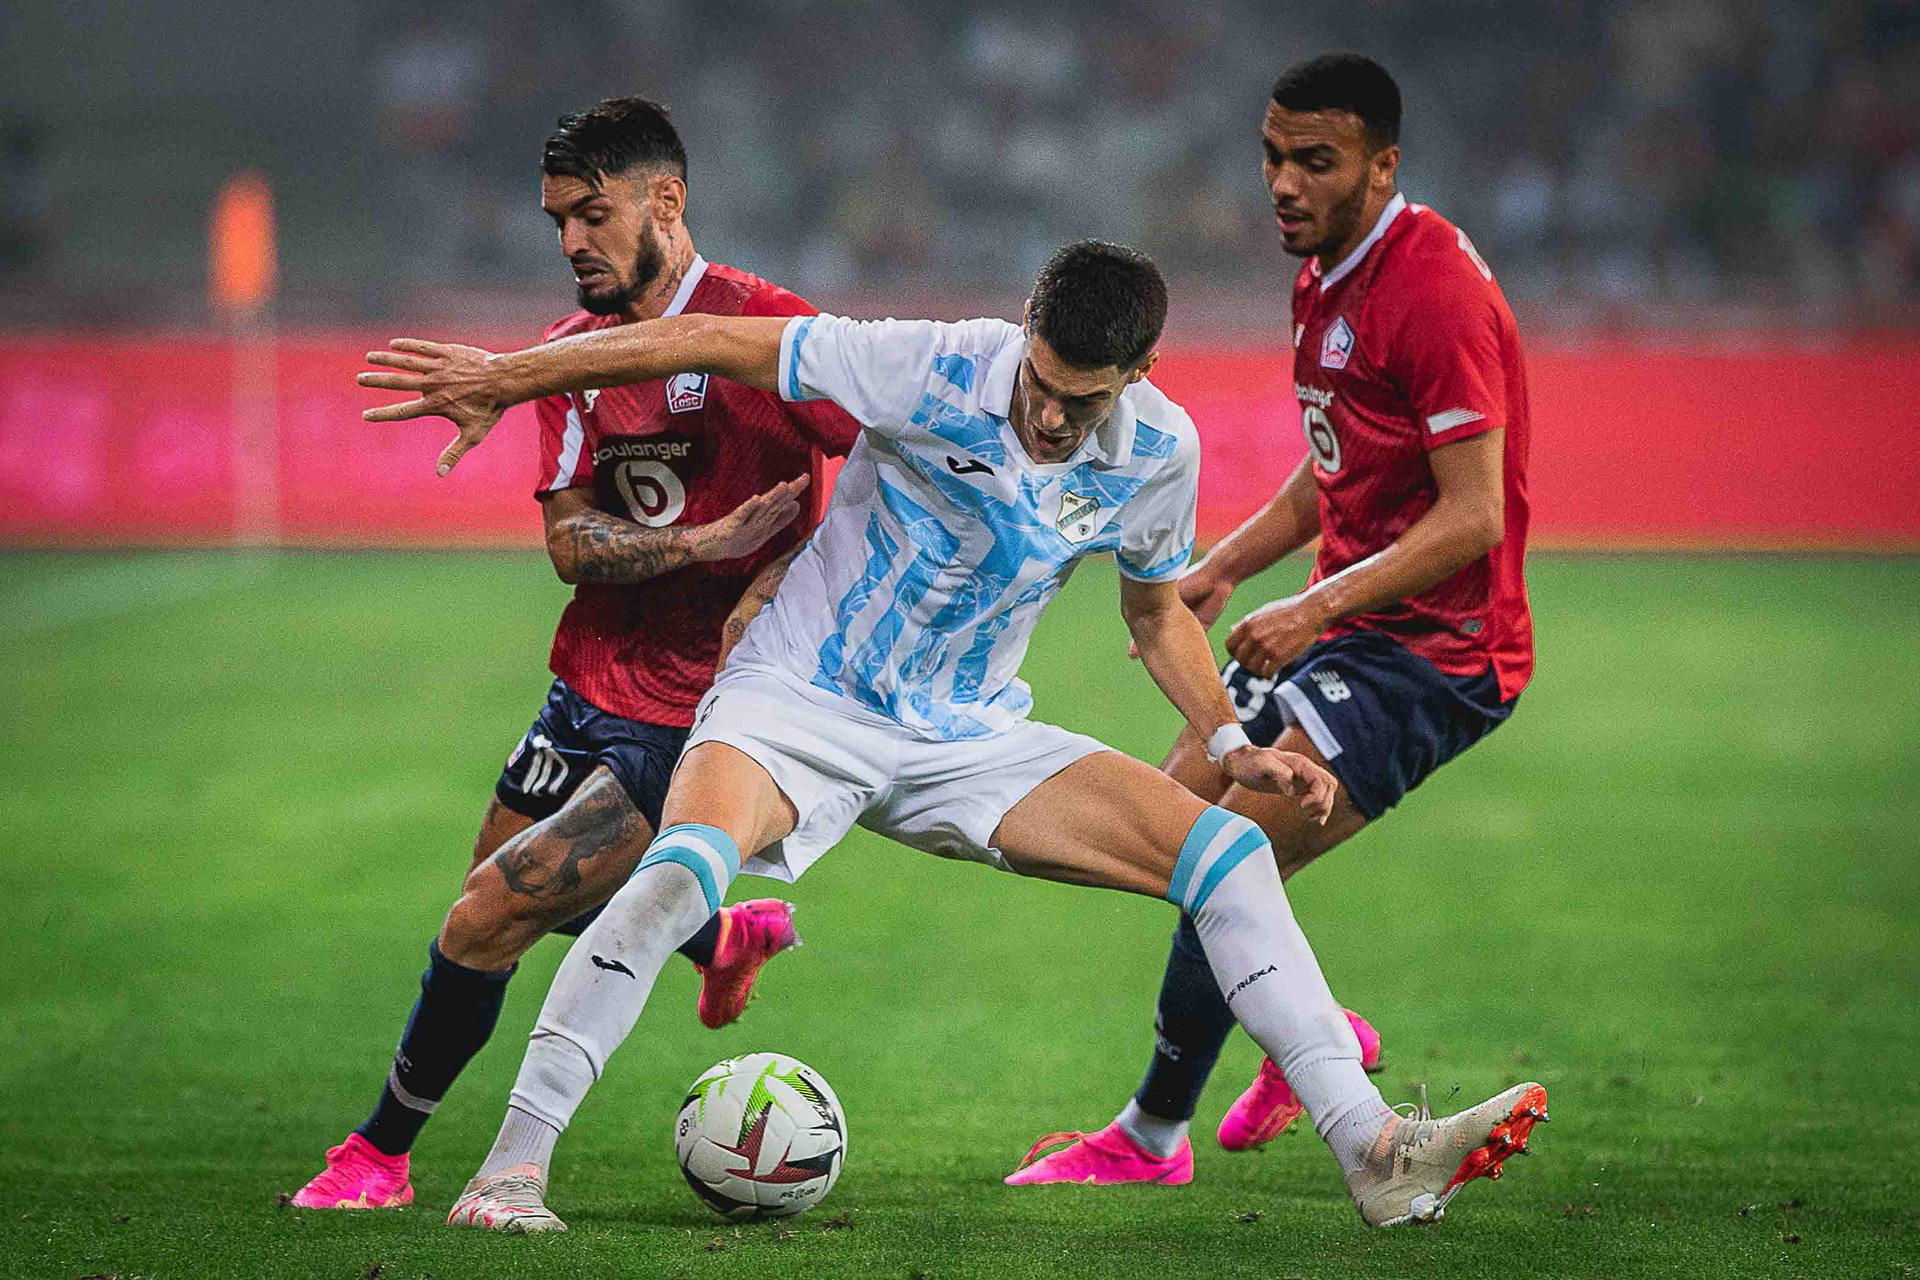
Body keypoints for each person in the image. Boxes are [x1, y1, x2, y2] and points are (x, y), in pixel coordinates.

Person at [358, 238, 1547, 1233]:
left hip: (965, 733)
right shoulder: (925, 364)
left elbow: (1151, 612)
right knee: (681, 872)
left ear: (1137, 373)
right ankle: (510, 1169)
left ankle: (1374, 1150)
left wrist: (1229, 737)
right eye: (1040, 377)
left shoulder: (1157, 453)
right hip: (797, 701)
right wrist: (514, 375)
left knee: (1226, 855)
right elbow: (708, 341)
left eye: (1082, 397)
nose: (1047, 410)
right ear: (1023, 328)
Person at [290, 97, 861, 1211]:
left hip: (707, 714)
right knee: (490, 903)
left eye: (592, 216)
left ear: (667, 200)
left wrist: (786, 576)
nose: (570, 244)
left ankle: (380, 1155)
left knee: (486, 916)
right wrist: (699, 540)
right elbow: (570, 544)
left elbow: (884, 468)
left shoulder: (769, 329)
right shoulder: (569, 360)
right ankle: (722, 934)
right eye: (557, 221)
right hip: (591, 681)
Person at [1005, 52, 1537, 1189]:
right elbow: (1341, 466)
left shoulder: (1431, 290)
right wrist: (1223, 570)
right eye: (1272, 155)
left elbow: (1476, 514)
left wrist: (1312, 606)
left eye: (1316, 160)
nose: (1283, 182)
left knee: (1220, 848)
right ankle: (1316, 1034)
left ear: (1382, 164)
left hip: (1438, 653)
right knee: (1175, 813)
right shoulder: (1329, 272)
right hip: (1354, 620)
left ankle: (1153, 1135)